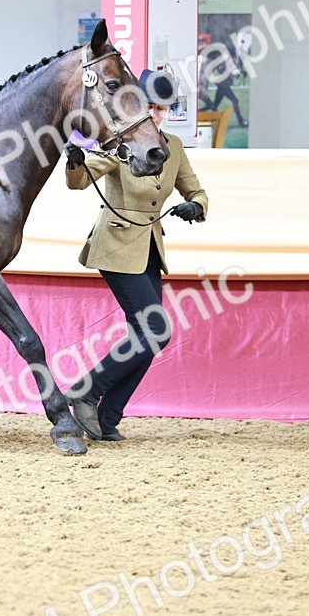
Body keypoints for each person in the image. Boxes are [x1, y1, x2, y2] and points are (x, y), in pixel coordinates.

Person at [62, 70, 209, 441]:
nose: (157, 115)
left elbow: (197, 191)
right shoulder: (122, 142)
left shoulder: (171, 146)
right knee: (156, 331)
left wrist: (195, 206)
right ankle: (85, 390)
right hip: (115, 246)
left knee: (147, 337)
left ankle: (108, 416)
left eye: (163, 109)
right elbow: (78, 182)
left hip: (149, 251)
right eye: (151, 107)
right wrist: (76, 160)